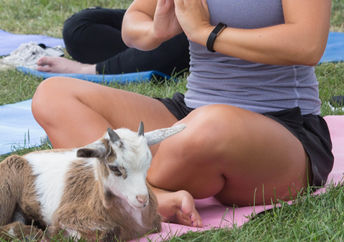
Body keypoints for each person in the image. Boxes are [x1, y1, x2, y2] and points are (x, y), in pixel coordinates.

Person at [31, 0, 333, 227]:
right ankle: (151, 199)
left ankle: (117, 194)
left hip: (284, 128)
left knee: (209, 127)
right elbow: (133, 22)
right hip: (191, 114)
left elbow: (307, 44)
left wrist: (207, 33)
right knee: (54, 94)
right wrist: (155, 31)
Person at [36, 7, 190, 76]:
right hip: (177, 15)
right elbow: (139, 11)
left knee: (182, 37)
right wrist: (149, 31)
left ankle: (91, 70)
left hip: (200, 33)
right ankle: (140, 58)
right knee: (78, 29)